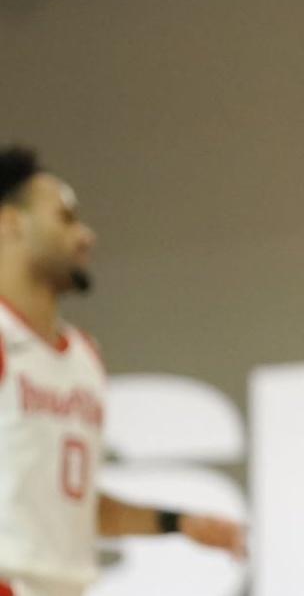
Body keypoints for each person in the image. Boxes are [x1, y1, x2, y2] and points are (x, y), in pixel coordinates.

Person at [0, 146, 244, 596]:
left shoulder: (84, 357)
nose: (87, 235)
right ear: (10, 222)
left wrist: (177, 522)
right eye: (66, 218)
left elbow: (75, 508)